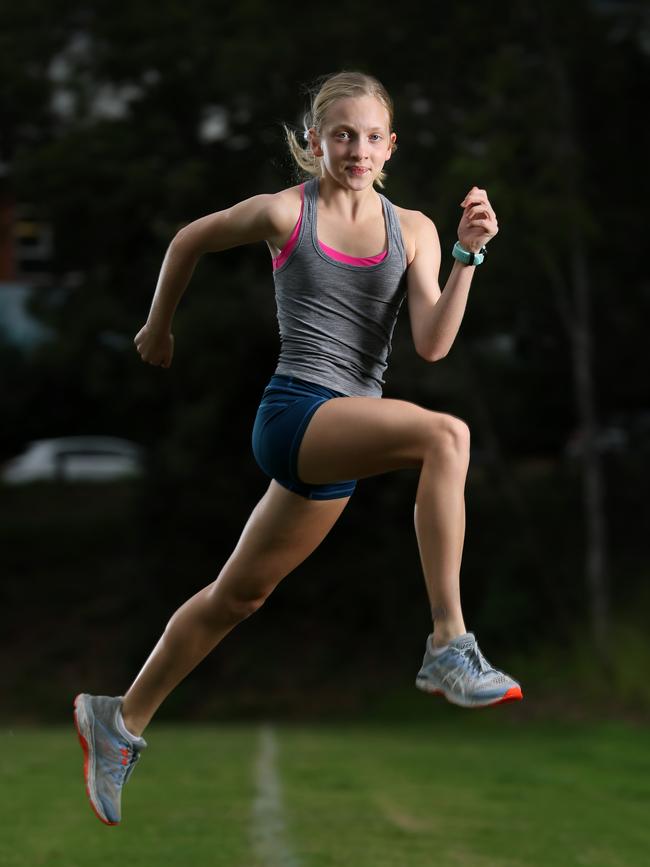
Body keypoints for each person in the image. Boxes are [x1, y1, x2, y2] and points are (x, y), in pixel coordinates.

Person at [73, 70, 522, 826]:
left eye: (372, 136)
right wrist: (158, 326)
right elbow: (190, 239)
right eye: (341, 134)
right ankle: (449, 640)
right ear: (315, 141)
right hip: (295, 414)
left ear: (390, 147)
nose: (357, 148)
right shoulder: (289, 212)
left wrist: (466, 256)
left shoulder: (412, 227)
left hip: (340, 440)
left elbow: (433, 343)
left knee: (237, 596)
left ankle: (119, 718)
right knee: (448, 435)